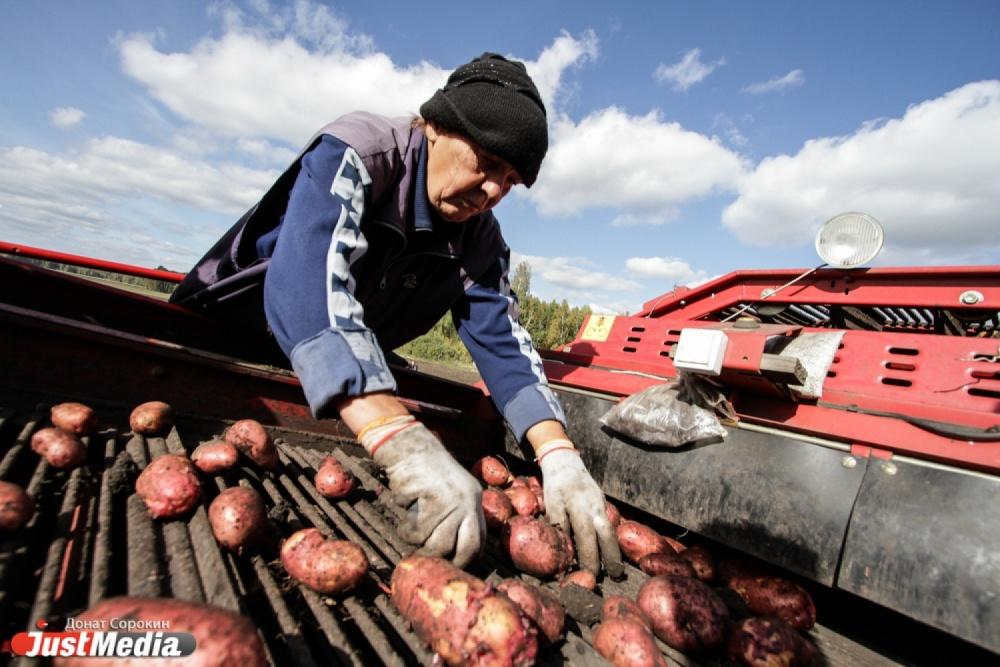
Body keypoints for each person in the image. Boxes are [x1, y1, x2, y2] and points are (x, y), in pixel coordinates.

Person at [171, 53, 622, 577]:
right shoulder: (359, 151)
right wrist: (397, 438)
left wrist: (558, 454)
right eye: (488, 162)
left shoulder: (480, 240)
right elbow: (306, 285)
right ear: (435, 125)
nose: (495, 191)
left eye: (511, 180)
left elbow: (502, 340)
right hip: (225, 341)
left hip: (336, 387)